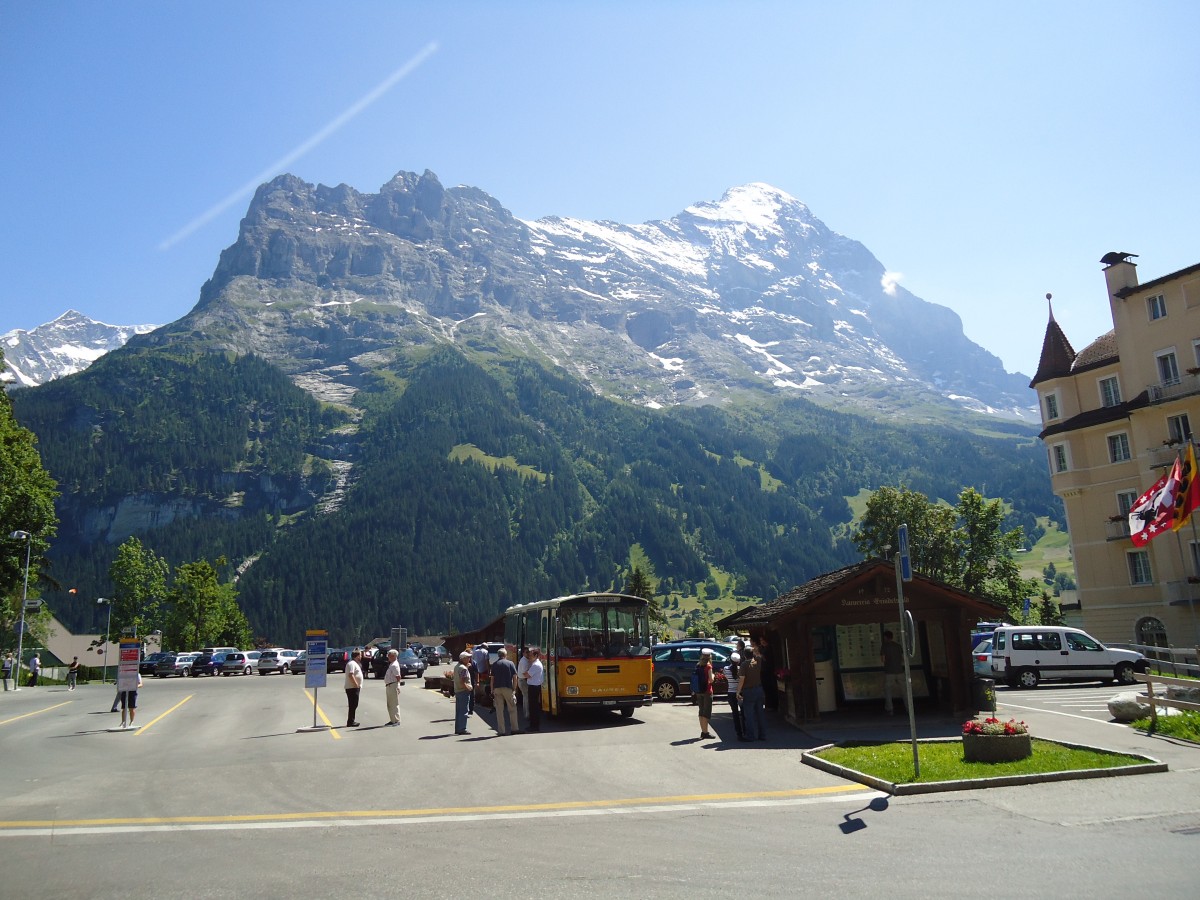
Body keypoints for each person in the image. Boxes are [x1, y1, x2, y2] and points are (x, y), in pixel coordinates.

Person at [738, 645, 767, 741]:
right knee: (760, 713)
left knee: (749, 714)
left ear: (744, 655)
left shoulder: (744, 664)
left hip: (748, 690)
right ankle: (762, 735)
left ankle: (750, 736)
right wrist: (755, 650)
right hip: (759, 689)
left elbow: (742, 679)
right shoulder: (758, 661)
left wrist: (738, 691)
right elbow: (759, 655)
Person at [490, 647, 519, 735]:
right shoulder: (510, 663)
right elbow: (515, 677)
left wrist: (492, 690)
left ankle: (501, 731)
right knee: (512, 708)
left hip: (497, 689)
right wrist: (514, 689)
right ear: (505, 654)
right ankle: (514, 729)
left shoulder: (495, 664)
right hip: (508, 688)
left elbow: (492, 679)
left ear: (498, 655)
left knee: (499, 710)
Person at [881, 630, 906, 716]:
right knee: (904, 690)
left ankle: (890, 709)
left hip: (889, 671)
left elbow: (883, 659)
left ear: (885, 637)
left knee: (888, 691)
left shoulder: (884, 646)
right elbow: (902, 659)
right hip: (900, 670)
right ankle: (908, 707)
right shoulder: (898, 646)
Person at [724, 652, 746, 741]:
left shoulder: (726, 669)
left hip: (731, 693)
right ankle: (745, 731)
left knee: (735, 714)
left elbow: (727, 678)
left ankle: (739, 733)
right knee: (744, 713)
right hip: (740, 693)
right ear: (739, 661)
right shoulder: (741, 669)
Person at [696, 647, 715, 739]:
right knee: (706, 712)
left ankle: (703, 731)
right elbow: (711, 680)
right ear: (709, 656)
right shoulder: (708, 666)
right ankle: (705, 732)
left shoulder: (698, 665)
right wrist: (714, 675)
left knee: (701, 711)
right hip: (707, 691)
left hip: (699, 690)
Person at [524, 647, 544, 732]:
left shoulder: (535, 665)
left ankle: (534, 726)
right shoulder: (535, 664)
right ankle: (533, 725)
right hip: (534, 686)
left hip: (533, 687)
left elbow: (527, 675)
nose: (529, 657)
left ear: (536, 656)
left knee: (533, 707)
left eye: (531, 655)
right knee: (533, 707)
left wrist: (524, 673)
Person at [453, 651, 473, 735]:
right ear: (463, 659)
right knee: (464, 710)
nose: (469, 659)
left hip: (458, 690)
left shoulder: (457, 666)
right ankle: (462, 729)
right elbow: (462, 681)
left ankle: (458, 728)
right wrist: (468, 688)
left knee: (459, 711)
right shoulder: (463, 668)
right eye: (467, 657)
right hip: (463, 691)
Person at [382, 648, 403, 726]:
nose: (388, 657)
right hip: (389, 685)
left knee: (394, 703)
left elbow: (398, 677)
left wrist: (398, 685)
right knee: (390, 704)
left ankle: (396, 720)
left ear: (394, 656)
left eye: (389, 655)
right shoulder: (391, 664)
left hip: (393, 685)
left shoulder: (394, 665)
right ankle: (392, 720)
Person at [344, 649, 363, 727]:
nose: (361, 657)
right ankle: (350, 721)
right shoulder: (351, 663)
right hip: (352, 687)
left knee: (354, 704)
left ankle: (351, 720)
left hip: (354, 687)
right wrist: (355, 684)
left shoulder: (355, 663)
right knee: (353, 704)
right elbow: (350, 675)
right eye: (360, 655)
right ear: (357, 656)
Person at [469, 642, 490, 714]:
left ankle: (476, 697)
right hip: (483, 670)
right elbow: (487, 662)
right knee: (483, 684)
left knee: (476, 683)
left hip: (476, 669)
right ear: (485, 647)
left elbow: (472, 660)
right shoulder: (485, 652)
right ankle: (482, 697)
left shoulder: (475, 651)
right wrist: (489, 671)